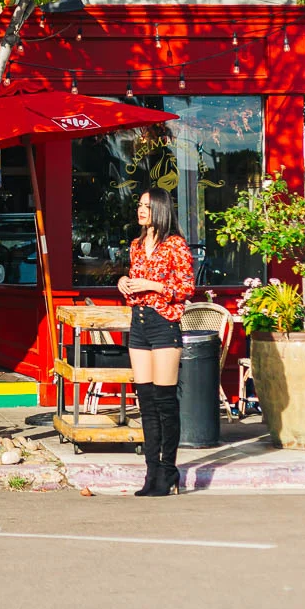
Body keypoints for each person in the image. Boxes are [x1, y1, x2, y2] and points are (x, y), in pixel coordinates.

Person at [117, 187, 195, 497]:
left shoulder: (175, 244)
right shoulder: (136, 245)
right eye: (139, 205)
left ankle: (168, 470)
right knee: (146, 402)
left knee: (164, 401)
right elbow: (133, 279)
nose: (141, 210)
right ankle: (151, 472)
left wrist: (153, 284)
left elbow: (186, 288)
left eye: (147, 206)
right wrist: (124, 282)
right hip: (139, 323)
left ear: (160, 209)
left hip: (164, 324)